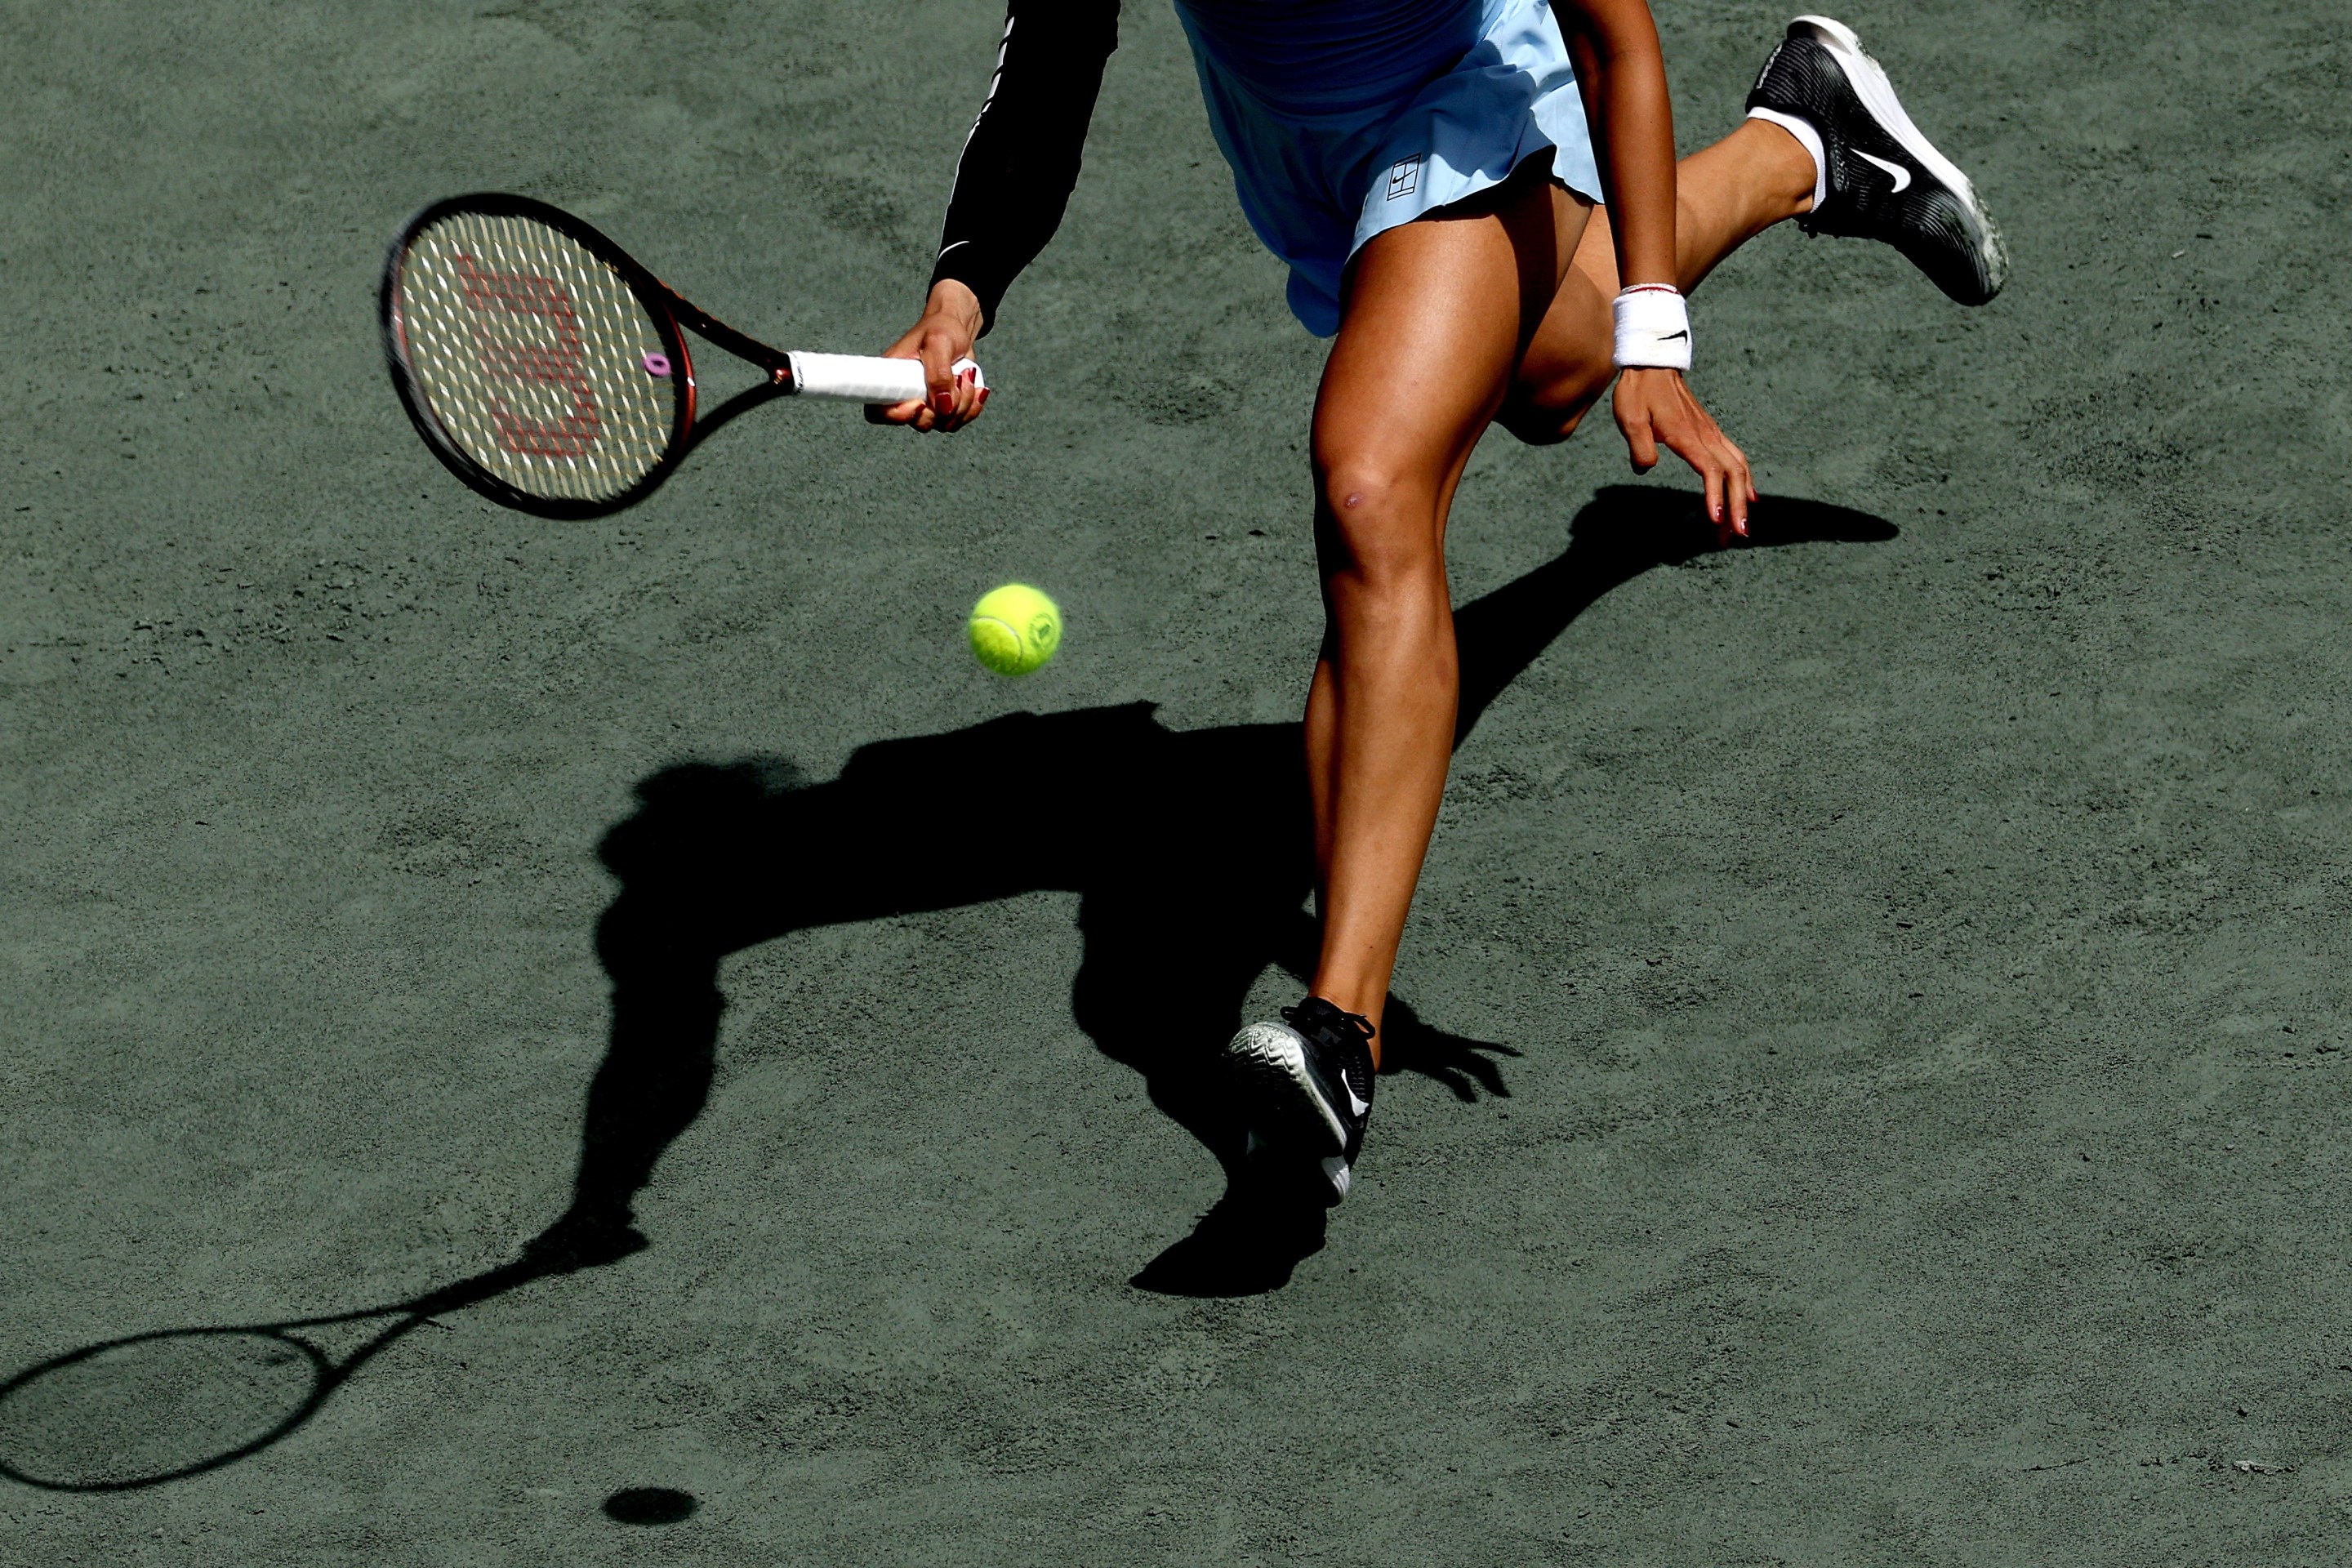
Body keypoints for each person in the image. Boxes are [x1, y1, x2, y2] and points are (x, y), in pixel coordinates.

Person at [874, 4, 2005, 1204]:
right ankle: (1805, 143)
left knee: (1372, 483)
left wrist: (1659, 338)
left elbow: (1619, 43)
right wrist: (963, 292)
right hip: (1297, 141)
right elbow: (1054, 58)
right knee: (1552, 376)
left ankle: (1337, 1037)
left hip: (1462, 95)